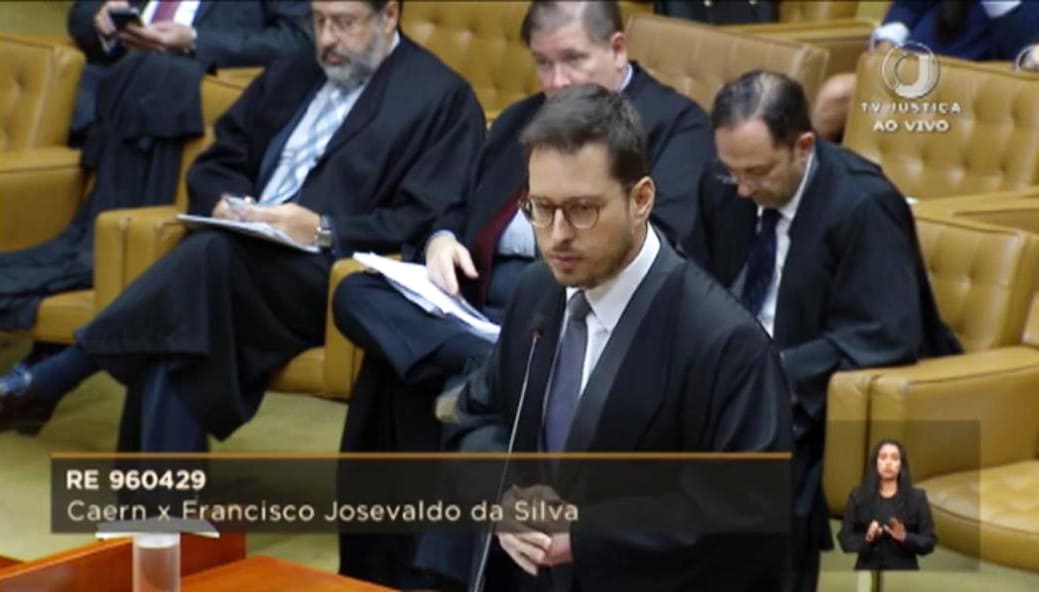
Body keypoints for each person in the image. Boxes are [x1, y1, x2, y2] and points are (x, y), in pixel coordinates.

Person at [332, 1, 713, 585]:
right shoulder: (520, 120)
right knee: (356, 294)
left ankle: (488, 377)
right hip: (473, 310)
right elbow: (453, 202)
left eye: (572, 60)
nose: (557, 82)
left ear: (616, 50)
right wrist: (441, 240)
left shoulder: (672, 123)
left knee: (402, 375)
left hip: (571, 309)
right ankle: (488, 361)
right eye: (543, 64)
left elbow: (665, 244)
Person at [0, 0, 485, 450]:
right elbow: (221, 158)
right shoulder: (296, 69)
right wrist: (223, 203)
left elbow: (425, 216)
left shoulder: (440, 97)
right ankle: (160, 507)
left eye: (344, 23)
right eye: (318, 21)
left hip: (327, 274)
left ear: (389, 15)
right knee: (182, 335)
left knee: (204, 264)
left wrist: (324, 228)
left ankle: (61, 373)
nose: (326, 39)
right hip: (235, 259)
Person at [450, 83, 792, 592]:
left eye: (582, 209)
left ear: (641, 199)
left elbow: (743, 517)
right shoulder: (536, 291)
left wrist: (589, 536)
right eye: (540, 208)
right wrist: (504, 496)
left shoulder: (725, 343)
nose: (557, 235)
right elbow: (478, 416)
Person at [686, 70, 961, 592]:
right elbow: (694, 284)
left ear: (804, 147)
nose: (743, 188)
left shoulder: (862, 204)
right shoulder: (724, 183)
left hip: (814, 390)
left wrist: (766, 374)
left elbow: (884, 334)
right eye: (732, 171)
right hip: (735, 372)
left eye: (758, 172)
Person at [0, 0, 313, 379]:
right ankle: (51, 363)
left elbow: (298, 38)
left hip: (177, 98)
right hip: (104, 97)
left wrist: (195, 39)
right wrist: (101, 20)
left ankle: (53, 364)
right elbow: (82, 12)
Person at [813, 0, 1039, 141]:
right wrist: (886, 46)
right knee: (836, 95)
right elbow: (908, 6)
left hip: (973, 87)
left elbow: (1025, 52)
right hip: (911, 67)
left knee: (838, 95)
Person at [838, 439, 937, 570]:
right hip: (868, 571)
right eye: (883, 457)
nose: (888, 462)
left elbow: (929, 542)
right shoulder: (858, 497)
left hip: (904, 573)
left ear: (901, 465)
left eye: (894, 458)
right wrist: (868, 538)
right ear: (876, 463)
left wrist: (905, 537)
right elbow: (845, 540)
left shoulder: (917, 498)